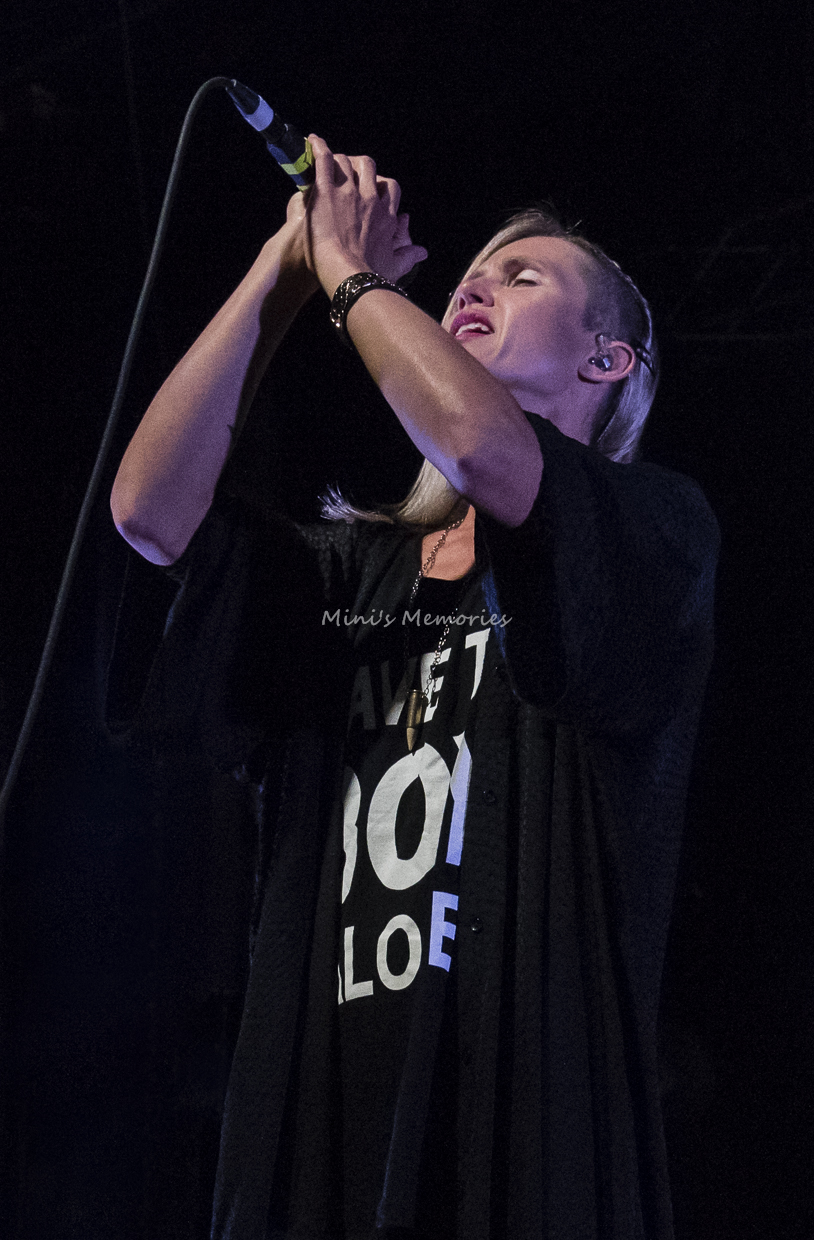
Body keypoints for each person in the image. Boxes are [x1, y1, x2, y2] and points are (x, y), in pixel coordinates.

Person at [111, 136, 719, 1240]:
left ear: (607, 360)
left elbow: (487, 450)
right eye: (469, 275)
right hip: (327, 1133)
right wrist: (288, 269)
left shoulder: (656, 532)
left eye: (522, 277)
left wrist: (353, 279)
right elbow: (149, 511)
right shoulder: (348, 576)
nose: (475, 285)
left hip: (519, 1138)